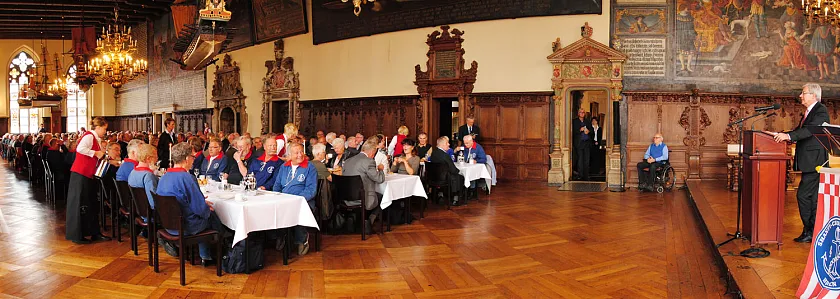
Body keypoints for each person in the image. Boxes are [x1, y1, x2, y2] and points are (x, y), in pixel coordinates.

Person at [771, 83, 830, 243]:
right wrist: (783, 135)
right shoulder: (809, 111)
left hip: (816, 161)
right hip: (810, 161)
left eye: (803, 93)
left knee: (804, 196)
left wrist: (789, 137)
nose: (800, 96)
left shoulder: (820, 110)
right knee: (810, 198)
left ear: (813, 95)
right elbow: (799, 131)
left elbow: (810, 130)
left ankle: (811, 230)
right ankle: (811, 231)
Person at [156, 143, 225, 265]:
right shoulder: (187, 178)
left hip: (168, 225)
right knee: (213, 217)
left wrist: (201, 204)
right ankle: (218, 255)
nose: (194, 160)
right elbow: (200, 210)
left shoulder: (164, 177)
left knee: (206, 213)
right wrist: (205, 206)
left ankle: (205, 255)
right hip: (186, 226)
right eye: (193, 157)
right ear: (187, 158)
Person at [65, 117, 110, 244]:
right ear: (98, 127)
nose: (105, 132)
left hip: (88, 174)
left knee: (90, 203)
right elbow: (80, 149)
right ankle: (77, 235)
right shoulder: (89, 136)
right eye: (104, 129)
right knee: (80, 204)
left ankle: (94, 232)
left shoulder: (95, 138)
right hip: (80, 174)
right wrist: (95, 153)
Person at [272, 143, 318, 255]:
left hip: (303, 201)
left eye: (301, 151)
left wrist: (297, 200)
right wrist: (277, 197)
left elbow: (311, 190)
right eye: (296, 153)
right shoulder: (284, 167)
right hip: (284, 200)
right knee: (274, 209)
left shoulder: (310, 167)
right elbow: (277, 185)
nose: (300, 155)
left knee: (296, 210)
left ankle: (302, 239)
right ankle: (281, 236)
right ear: (289, 155)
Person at [342, 140, 385, 233]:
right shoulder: (369, 162)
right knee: (383, 197)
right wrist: (381, 170)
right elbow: (380, 179)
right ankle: (367, 222)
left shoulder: (347, 161)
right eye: (374, 153)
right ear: (372, 152)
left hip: (346, 197)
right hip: (363, 198)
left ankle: (354, 219)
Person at [428, 136, 466, 205]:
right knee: (460, 177)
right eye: (447, 143)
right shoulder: (445, 156)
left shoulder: (434, 153)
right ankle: (455, 198)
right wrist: (460, 172)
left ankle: (441, 194)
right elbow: (453, 170)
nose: (449, 144)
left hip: (434, 177)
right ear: (442, 145)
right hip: (445, 178)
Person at [128, 144, 159, 220]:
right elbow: (153, 203)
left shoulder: (132, 172)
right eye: (155, 157)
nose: (157, 159)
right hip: (150, 214)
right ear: (148, 158)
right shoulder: (148, 176)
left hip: (139, 211)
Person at [572, 108, 594, 180]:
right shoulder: (575, 121)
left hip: (587, 143)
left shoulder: (587, 121)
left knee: (587, 160)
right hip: (579, 143)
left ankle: (586, 175)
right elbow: (572, 131)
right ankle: (580, 175)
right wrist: (580, 130)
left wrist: (589, 131)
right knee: (580, 160)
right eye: (581, 112)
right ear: (578, 113)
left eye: (583, 112)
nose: (582, 114)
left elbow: (592, 131)